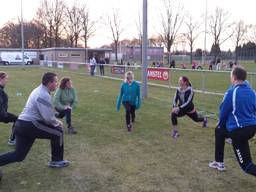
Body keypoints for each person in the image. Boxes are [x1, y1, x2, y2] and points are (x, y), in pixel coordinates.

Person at [0, 72, 69, 181]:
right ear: (49, 83)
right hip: (29, 125)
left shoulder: (39, 90)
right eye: (55, 81)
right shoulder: (43, 94)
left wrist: (57, 115)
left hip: (21, 125)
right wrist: (57, 122)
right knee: (58, 132)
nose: (57, 83)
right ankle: (56, 161)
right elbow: (48, 118)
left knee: (19, 155)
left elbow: (45, 110)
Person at [209, 67, 256, 176]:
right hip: (252, 128)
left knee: (247, 166)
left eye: (231, 75)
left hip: (239, 132)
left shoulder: (231, 92)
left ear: (234, 77)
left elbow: (223, 112)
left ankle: (220, 162)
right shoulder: (252, 92)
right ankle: (219, 162)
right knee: (219, 131)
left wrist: (220, 123)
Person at [0, 72, 18, 146]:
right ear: (1, 79)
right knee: (18, 120)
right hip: (1, 114)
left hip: (2, 113)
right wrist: (4, 115)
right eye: (6, 79)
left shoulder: (1, 89)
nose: (7, 80)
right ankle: (12, 140)